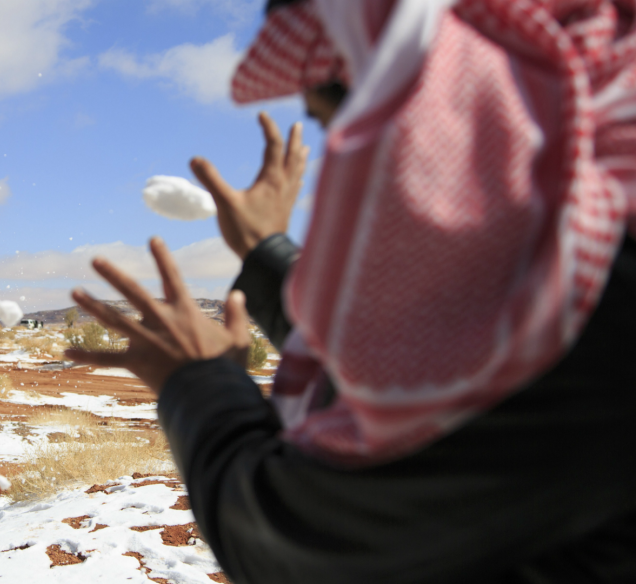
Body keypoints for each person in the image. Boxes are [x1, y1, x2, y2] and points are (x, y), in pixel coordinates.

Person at [67, 0, 636, 582]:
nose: (347, 142)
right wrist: (265, 251)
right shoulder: (584, 223)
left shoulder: (585, 308)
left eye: (348, 110)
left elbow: (292, 538)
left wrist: (200, 380)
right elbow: (425, 346)